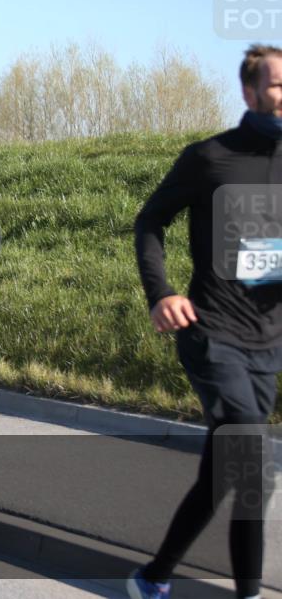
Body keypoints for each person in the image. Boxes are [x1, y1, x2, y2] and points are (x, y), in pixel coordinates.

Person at [129, 44, 282, 599]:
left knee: (219, 475)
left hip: (268, 345)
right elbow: (150, 223)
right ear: (249, 92)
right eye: (277, 86)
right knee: (255, 467)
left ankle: (152, 576)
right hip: (212, 334)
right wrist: (161, 292)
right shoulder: (210, 157)